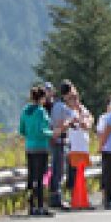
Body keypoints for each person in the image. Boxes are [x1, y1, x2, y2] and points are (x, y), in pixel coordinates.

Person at [19, 85, 56, 217]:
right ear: (41, 98)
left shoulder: (25, 111)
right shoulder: (41, 111)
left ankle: (31, 205)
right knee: (41, 178)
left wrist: (30, 135)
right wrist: (52, 134)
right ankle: (40, 206)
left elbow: (21, 130)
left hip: (29, 147)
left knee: (32, 176)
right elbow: (42, 130)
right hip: (41, 147)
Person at [47, 80, 75, 210]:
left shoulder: (60, 105)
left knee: (60, 169)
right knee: (58, 169)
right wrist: (68, 123)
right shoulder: (59, 106)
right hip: (58, 140)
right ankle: (55, 197)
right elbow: (58, 123)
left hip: (60, 140)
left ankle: (56, 195)